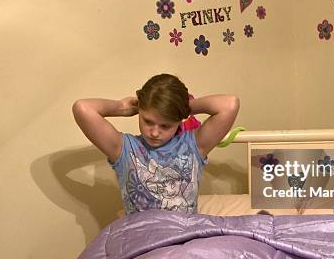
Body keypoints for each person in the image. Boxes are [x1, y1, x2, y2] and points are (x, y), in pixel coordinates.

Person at [72, 74, 240, 215]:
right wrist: (121, 108)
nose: (154, 132)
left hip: (185, 241)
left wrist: (182, 107)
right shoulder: (123, 148)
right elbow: (82, 108)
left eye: (165, 126)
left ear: (178, 120)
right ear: (140, 112)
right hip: (144, 243)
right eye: (148, 121)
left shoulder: (195, 145)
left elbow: (230, 105)